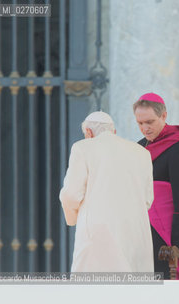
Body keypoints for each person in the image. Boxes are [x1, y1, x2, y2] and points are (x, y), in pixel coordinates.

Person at [59, 111, 154, 272]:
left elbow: (71, 194)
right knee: (134, 292)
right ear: (114, 131)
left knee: (96, 291)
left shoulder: (82, 147)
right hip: (136, 232)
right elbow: (147, 200)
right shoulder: (142, 152)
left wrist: (72, 219)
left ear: (88, 133)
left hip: (98, 232)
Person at [133, 92, 179, 280]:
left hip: (165, 239)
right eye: (140, 123)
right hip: (140, 234)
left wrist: (178, 247)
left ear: (163, 116)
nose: (145, 128)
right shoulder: (138, 149)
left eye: (150, 122)